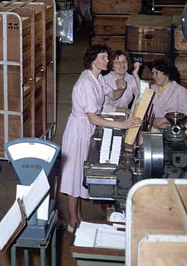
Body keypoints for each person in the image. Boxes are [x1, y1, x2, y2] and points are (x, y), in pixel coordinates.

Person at [60, 45, 142, 232]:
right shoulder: (86, 83)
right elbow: (93, 117)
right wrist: (122, 125)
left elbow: (112, 95)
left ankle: (79, 216)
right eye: (103, 58)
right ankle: (72, 221)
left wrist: (121, 89)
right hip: (79, 129)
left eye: (107, 57)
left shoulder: (97, 78)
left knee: (82, 173)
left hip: (87, 128)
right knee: (74, 175)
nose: (108, 61)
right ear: (93, 60)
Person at [149, 59, 187, 128]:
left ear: (166, 73)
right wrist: (153, 120)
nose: (153, 76)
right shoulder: (150, 89)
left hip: (172, 132)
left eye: (156, 73)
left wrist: (164, 120)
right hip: (152, 130)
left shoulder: (180, 91)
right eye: (152, 73)